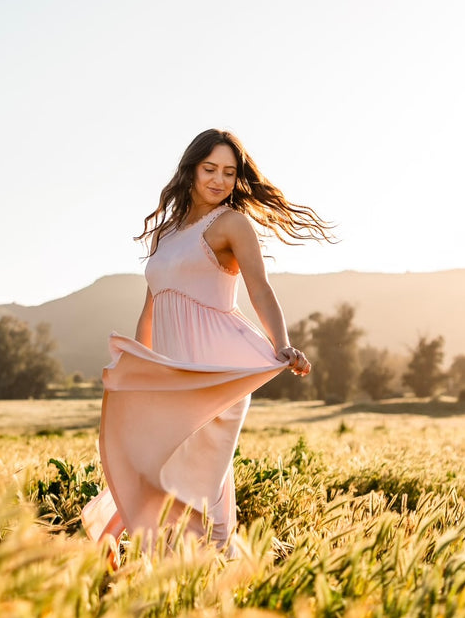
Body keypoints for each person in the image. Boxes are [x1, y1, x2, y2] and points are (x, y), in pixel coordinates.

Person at [81, 128, 332, 561]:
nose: (219, 180)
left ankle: (203, 565)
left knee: (197, 474)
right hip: (174, 371)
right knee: (154, 461)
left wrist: (283, 343)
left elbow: (261, 290)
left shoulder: (232, 223)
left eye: (229, 173)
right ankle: (166, 560)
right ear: (191, 170)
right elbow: (152, 308)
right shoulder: (165, 236)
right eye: (210, 169)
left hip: (218, 368)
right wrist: (144, 369)